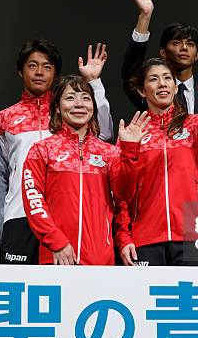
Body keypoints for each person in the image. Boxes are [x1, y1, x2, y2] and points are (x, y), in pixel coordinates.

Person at [0, 40, 112, 264]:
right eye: (32, 65)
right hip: (19, 216)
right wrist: (2, 223)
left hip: (63, 222)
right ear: (20, 70)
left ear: (55, 73)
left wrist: (94, 83)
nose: (39, 72)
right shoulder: (4, 118)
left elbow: (103, 134)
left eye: (47, 67)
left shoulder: (69, 109)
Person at [115, 58, 198, 266]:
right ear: (141, 90)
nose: (162, 84)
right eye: (154, 79)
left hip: (193, 235)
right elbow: (121, 194)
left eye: (167, 78)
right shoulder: (131, 133)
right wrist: (124, 237)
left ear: (176, 87)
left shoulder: (196, 124)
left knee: (194, 299)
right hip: (146, 238)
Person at [120, 0, 198, 202]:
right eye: (176, 42)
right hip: (160, 198)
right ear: (162, 51)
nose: (183, 48)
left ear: (197, 55)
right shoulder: (152, 95)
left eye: (190, 44)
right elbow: (132, 75)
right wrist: (145, 17)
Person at [22, 75, 149, 265]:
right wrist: (56, 242)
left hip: (100, 261)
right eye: (70, 98)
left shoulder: (109, 153)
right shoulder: (42, 150)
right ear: (57, 107)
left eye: (86, 98)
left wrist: (129, 151)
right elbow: (33, 200)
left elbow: (124, 195)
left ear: (93, 108)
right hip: (57, 257)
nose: (79, 104)